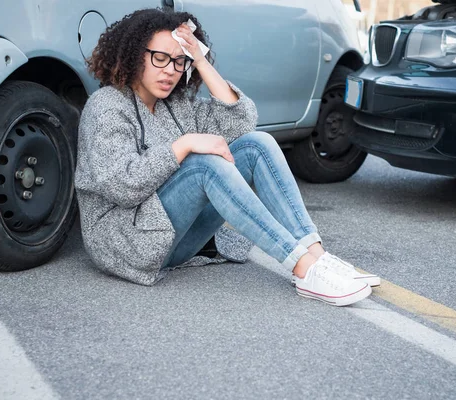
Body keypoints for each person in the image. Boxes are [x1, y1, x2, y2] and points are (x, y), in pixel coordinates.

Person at [74, 8, 380, 306]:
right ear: (134, 54)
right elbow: (121, 186)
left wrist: (202, 62)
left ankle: (317, 256)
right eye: (160, 58)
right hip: (128, 243)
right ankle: (302, 266)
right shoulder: (106, 106)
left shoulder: (175, 104)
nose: (170, 70)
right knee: (203, 166)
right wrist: (183, 145)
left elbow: (241, 124)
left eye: (180, 61)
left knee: (257, 144)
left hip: (176, 236)